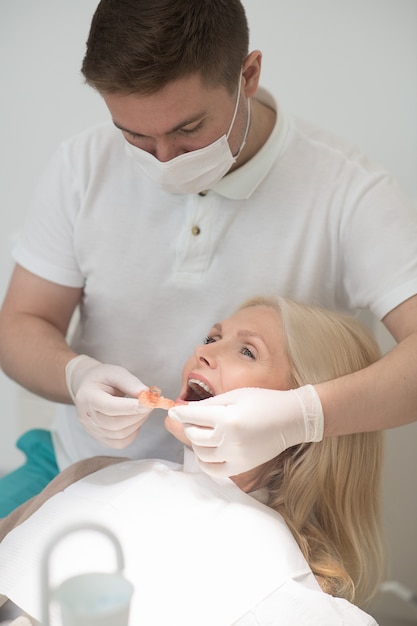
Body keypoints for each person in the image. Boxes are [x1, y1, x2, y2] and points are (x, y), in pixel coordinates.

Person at [0, 0, 416, 514]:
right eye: (134, 135)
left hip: (256, 506)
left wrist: (301, 416)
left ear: (248, 75)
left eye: (188, 130)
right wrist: (75, 375)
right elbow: (21, 322)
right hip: (78, 468)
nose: (164, 161)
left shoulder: (349, 193)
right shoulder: (81, 166)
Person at [0, 297, 383, 625]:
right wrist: (77, 373)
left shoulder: (288, 581)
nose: (204, 351)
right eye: (212, 338)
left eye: (247, 351)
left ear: (298, 414)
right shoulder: (94, 475)